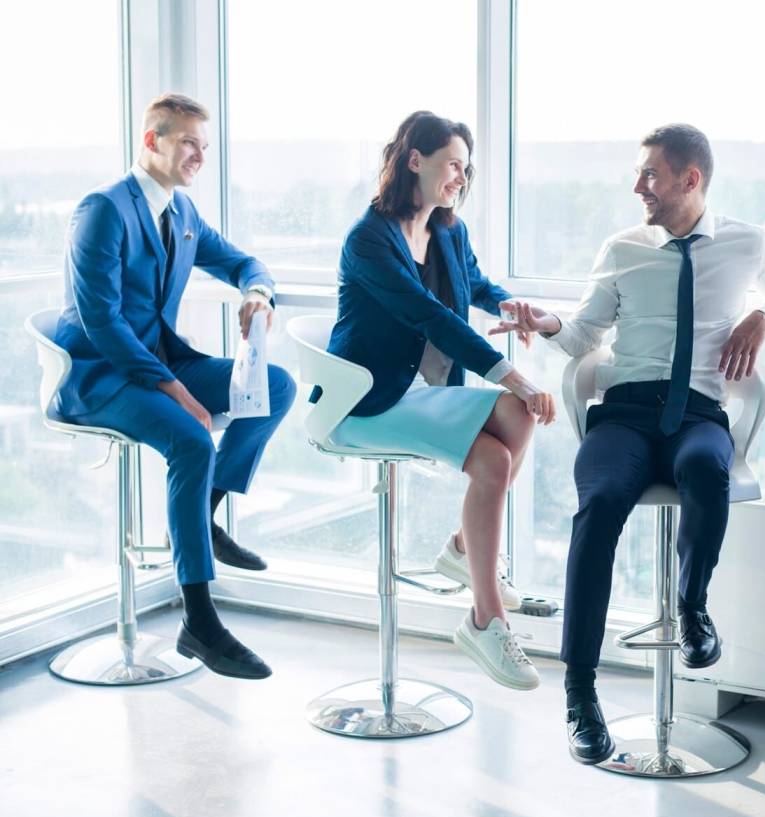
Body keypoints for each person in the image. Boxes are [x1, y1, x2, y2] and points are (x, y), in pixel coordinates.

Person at [500, 124, 765, 762]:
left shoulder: (748, 243)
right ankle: (580, 693)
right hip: (627, 416)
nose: (638, 186)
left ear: (689, 179)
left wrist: (763, 315)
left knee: (706, 472)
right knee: (601, 502)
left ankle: (692, 607)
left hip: (699, 414)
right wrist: (546, 321)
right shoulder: (623, 248)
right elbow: (585, 334)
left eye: (650, 175)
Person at [53, 93, 295, 679]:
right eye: (188, 142)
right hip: (101, 374)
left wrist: (256, 294)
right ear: (151, 141)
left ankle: (205, 514)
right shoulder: (104, 210)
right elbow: (102, 322)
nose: (198, 156)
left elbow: (245, 263)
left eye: (204, 146)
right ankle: (200, 621)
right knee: (192, 437)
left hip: (158, 359)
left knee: (278, 386)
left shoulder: (182, 215)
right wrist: (174, 391)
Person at [322, 110, 555, 691]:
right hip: (366, 400)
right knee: (503, 442)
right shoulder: (368, 240)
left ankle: (462, 550)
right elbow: (430, 317)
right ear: (414, 159)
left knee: (515, 424)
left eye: (465, 167)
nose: (459, 176)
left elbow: (472, 284)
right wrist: (512, 376)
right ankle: (486, 618)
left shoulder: (449, 229)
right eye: (452, 163)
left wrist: (511, 307)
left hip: (421, 393)